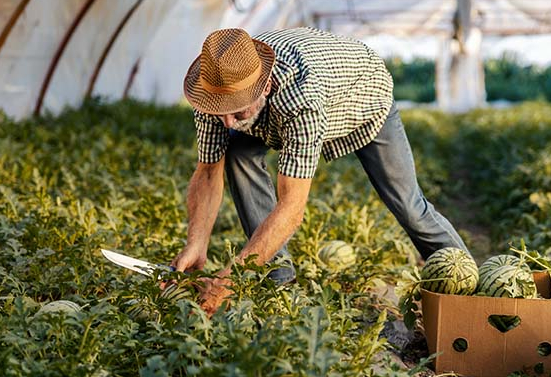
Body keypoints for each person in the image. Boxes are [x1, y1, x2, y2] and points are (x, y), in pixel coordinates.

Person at [171, 27, 470, 315]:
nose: (227, 122)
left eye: (237, 110)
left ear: (264, 86)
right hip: (295, 99)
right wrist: (196, 243)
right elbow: (209, 171)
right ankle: (277, 276)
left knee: (409, 205)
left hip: (363, 98)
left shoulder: (301, 98)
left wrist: (232, 279)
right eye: (221, 110)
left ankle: (468, 285)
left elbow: (292, 208)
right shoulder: (213, 90)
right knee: (235, 151)